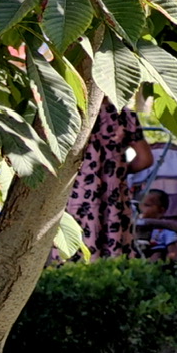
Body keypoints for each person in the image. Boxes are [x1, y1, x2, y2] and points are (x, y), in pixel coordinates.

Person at [68, 102, 153, 257]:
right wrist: (117, 171)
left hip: (75, 192)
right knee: (114, 247)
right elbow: (145, 159)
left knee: (72, 243)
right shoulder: (124, 114)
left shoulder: (70, 111)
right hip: (113, 194)